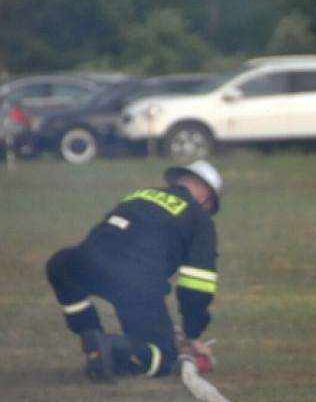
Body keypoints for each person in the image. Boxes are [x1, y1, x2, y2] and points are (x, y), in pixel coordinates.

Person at [46, 160, 222, 382]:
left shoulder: (140, 195)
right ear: (205, 195)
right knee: (164, 359)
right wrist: (193, 333)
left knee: (67, 275)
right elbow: (197, 285)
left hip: (77, 262)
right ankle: (110, 347)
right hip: (133, 282)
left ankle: (94, 339)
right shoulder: (199, 218)